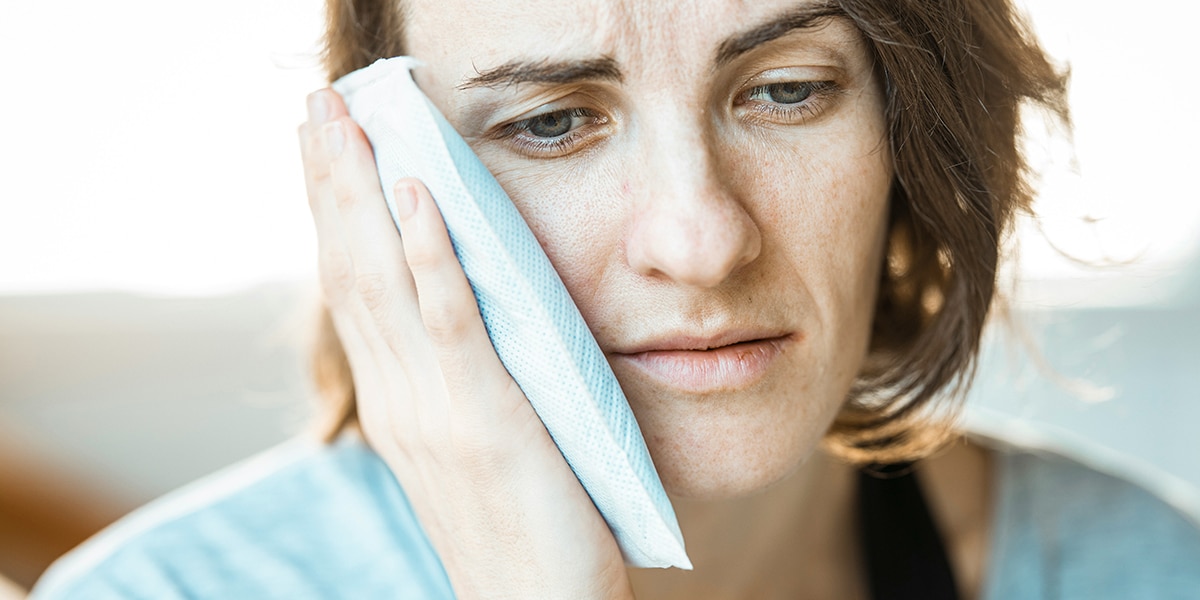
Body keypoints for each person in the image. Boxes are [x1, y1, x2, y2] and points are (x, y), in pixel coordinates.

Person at [30, 0, 1200, 598]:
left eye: (788, 92)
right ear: (388, 178)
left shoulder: (1134, 569)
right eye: (552, 123)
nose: (700, 241)